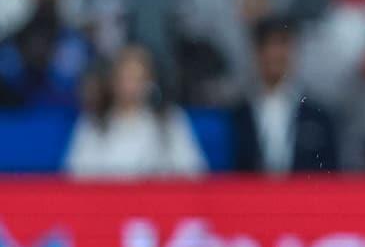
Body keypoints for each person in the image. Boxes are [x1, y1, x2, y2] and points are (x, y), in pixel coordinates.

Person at [64, 45, 206, 180]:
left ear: (150, 81)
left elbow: (194, 172)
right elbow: (75, 174)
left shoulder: (169, 120)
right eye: (125, 78)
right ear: (112, 81)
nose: (130, 86)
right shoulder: (93, 122)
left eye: (138, 79)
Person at [230, 17, 338, 175]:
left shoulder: (319, 117)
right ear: (256, 53)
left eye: (283, 44)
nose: (275, 53)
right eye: (268, 45)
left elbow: (331, 176)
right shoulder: (235, 116)